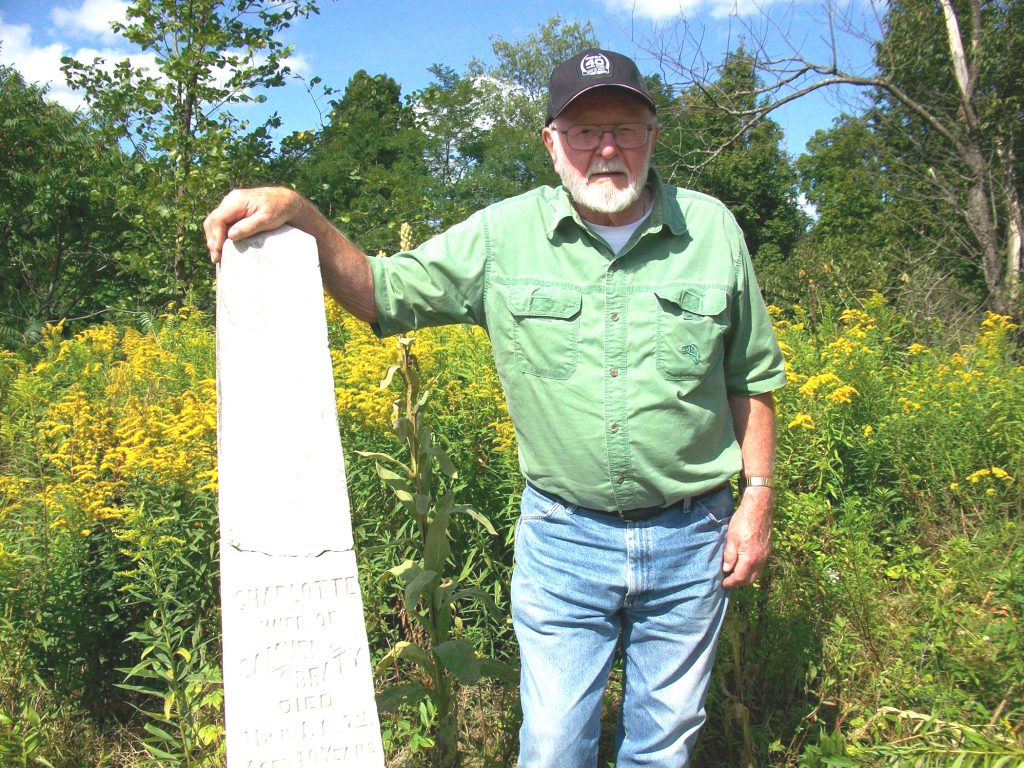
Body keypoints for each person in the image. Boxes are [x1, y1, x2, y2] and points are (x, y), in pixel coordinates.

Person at [205, 49, 786, 768]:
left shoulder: (713, 230)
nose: (606, 147)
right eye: (583, 131)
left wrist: (755, 500)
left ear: (654, 136)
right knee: (551, 745)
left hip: (692, 534)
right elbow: (380, 293)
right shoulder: (502, 236)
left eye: (625, 128)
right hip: (564, 539)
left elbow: (751, 375)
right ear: (550, 143)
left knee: (664, 743)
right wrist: (304, 215)